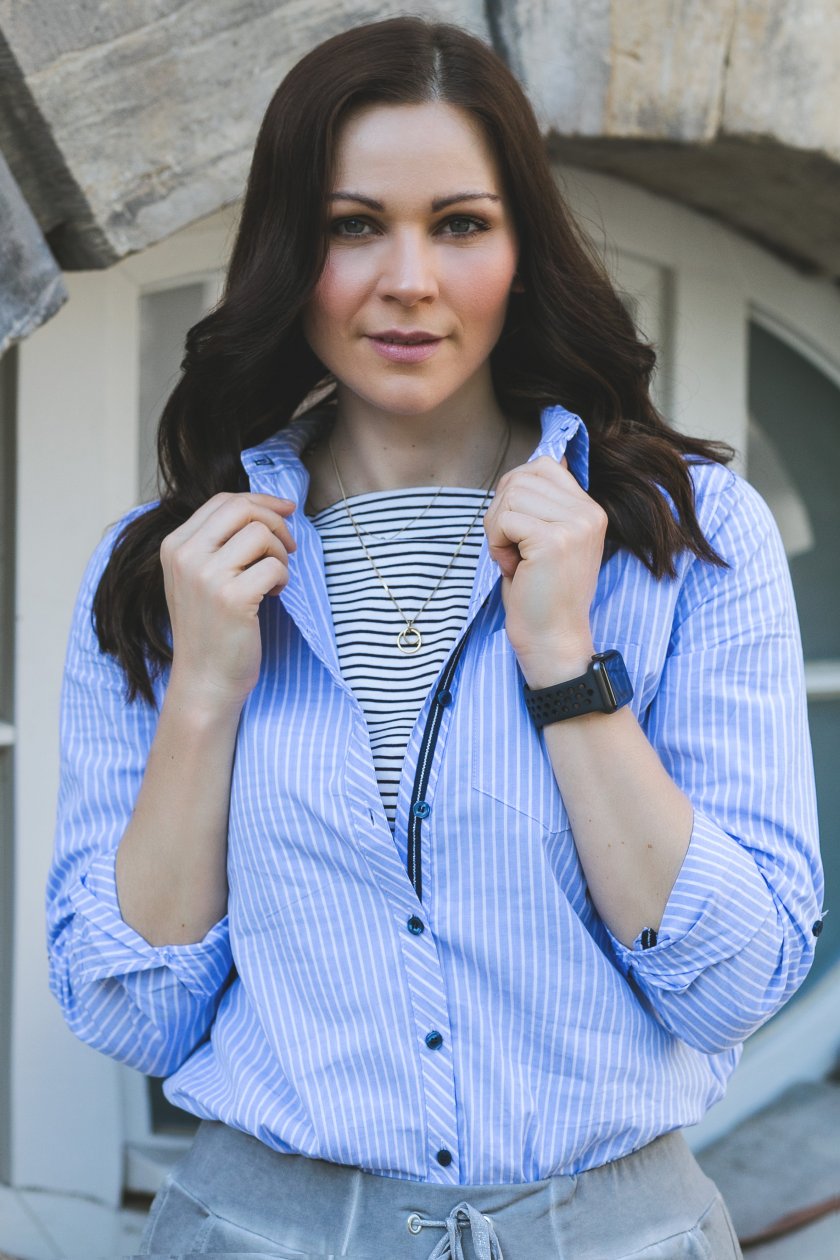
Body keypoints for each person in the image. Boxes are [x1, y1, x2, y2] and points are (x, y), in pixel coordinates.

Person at [47, 16, 823, 1259]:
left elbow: (734, 983)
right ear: (289, 253)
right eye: (354, 226)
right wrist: (203, 696)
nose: (408, 278)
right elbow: (132, 1013)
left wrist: (567, 666)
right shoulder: (168, 571)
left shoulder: (691, 539)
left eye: (459, 224)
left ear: (523, 250)